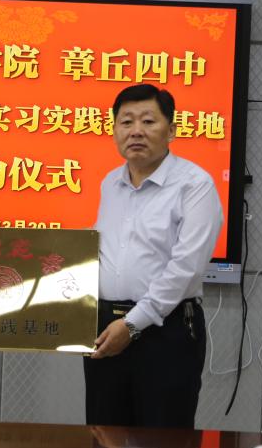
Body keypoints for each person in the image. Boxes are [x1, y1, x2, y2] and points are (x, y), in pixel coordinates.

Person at [85, 83, 223, 428]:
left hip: (166, 331)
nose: (136, 131)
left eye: (148, 121)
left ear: (171, 131)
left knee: (162, 444)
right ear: (114, 131)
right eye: (126, 122)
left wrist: (133, 324)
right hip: (105, 328)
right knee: (104, 437)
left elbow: (186, 269)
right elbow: (102, 251)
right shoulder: (110, 184)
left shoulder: (195, 185)